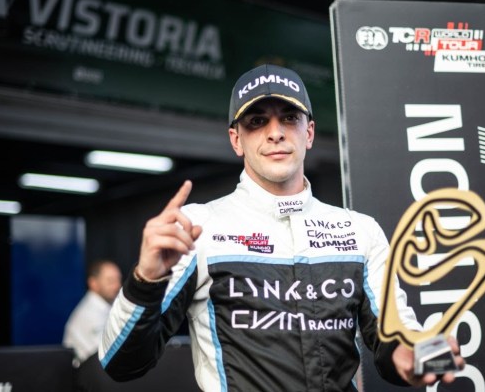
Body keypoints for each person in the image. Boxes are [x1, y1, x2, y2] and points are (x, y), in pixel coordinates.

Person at [98, 64, 465, 390]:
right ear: (236, 140)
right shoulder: (197, 227)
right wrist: (146, 280)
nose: (275, 133)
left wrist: (412, 352)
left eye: (289, 118)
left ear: (309, 133)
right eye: (257, 121)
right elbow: (121, 363)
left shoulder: (360, 231)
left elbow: (392, 339)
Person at [64, 259, 122, 366]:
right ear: (93, 283)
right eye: (110, 281)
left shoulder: (108, 306)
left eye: (118, 279)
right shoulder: (89, 314)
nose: (117, 285)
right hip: (87, 373)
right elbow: (108, 356)